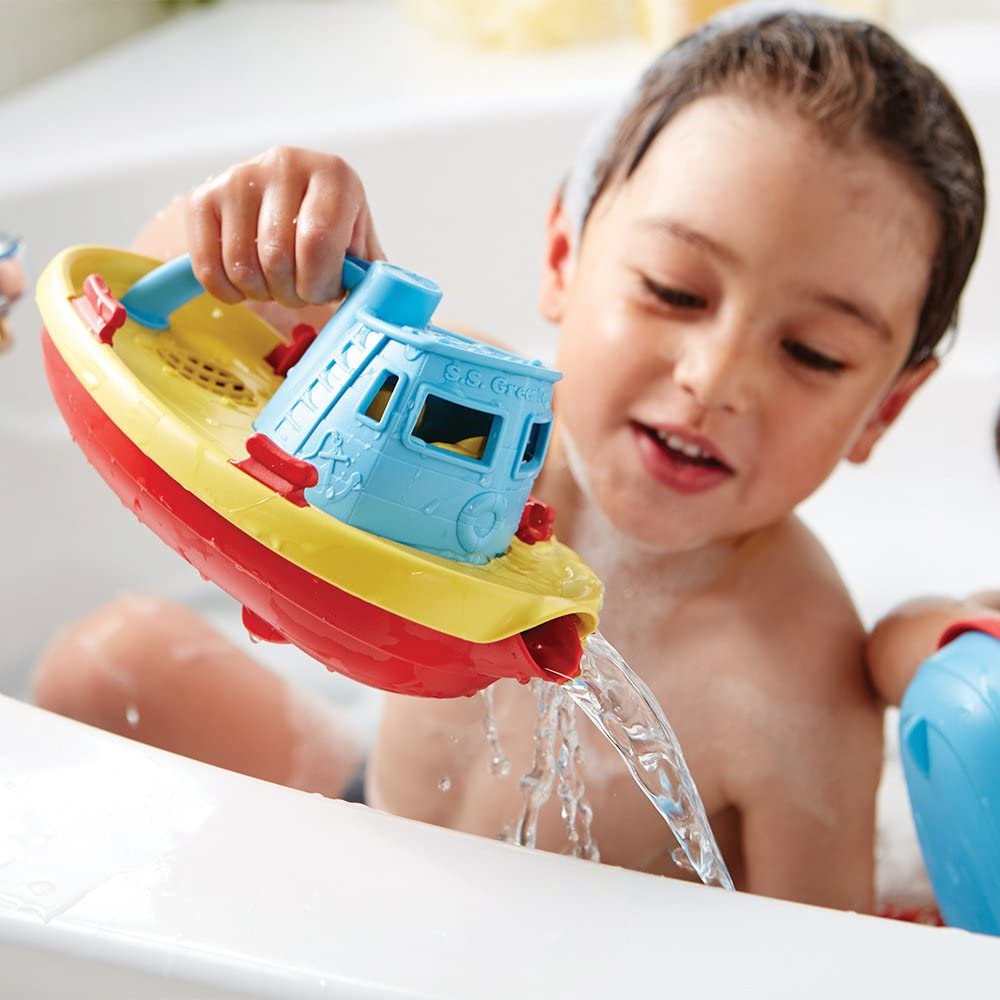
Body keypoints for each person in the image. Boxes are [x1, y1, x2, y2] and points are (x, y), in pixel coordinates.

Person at [31, 5, 986, 912]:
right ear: (564, 258)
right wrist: (258, 233)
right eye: (674, 291)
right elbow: (145, 333)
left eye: (813, 353)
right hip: (371, 817)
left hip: (559, 975)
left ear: (884, 410)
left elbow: (823, 969)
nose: (715, 378)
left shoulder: (792, 666)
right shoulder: (457, 417)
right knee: (104, 667)